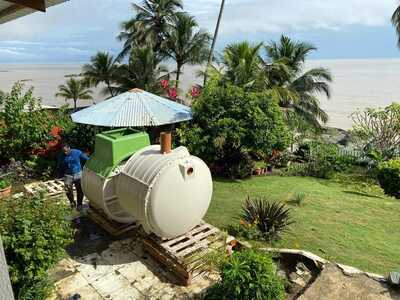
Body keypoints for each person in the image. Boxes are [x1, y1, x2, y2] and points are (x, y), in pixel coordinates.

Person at [58, 144, 89, 210]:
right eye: (64, 151)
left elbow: (86, 159)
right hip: (68, 175)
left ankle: (79, 204)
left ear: (69, 148)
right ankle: (72, 202)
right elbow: (60, 165)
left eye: (66, 151)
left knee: (80, 190)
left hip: (78, 174)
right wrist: (61, 174)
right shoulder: (61, 156)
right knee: (67, 190)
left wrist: (85, 169)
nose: (65, 153)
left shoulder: (77, 152)